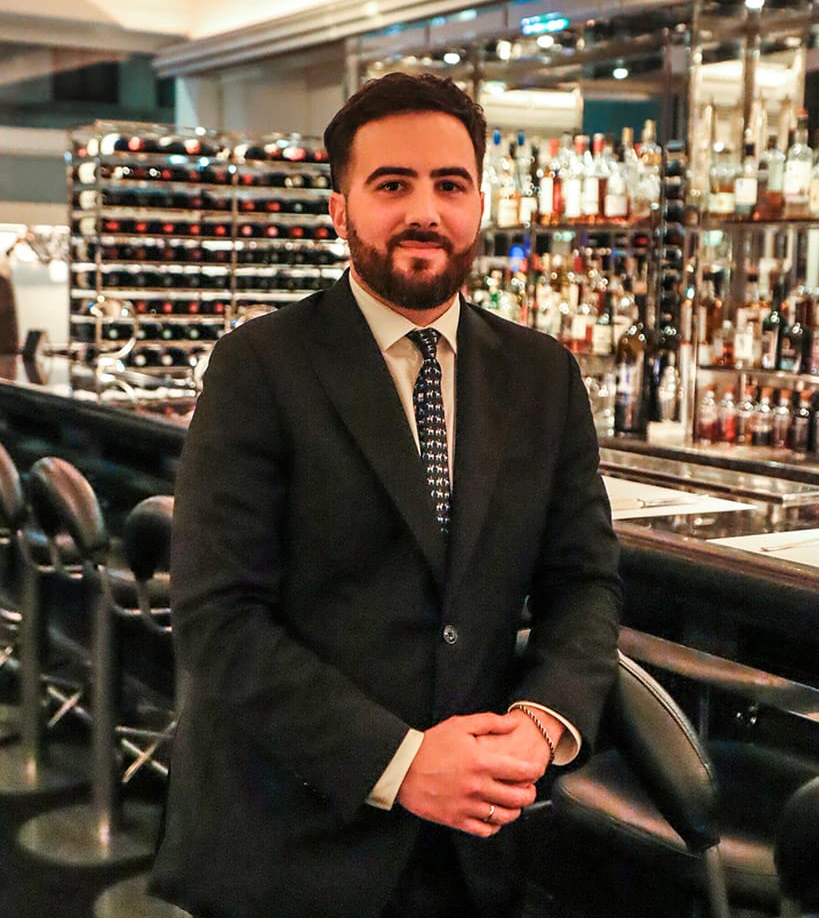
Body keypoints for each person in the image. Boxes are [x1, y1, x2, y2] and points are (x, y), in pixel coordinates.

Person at [150, 72, 622, 918]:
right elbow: (218, 617)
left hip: (474, 844)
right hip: (294, 839)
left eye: (450, 185)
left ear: (481, 203)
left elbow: (582, 580)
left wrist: (540, 721)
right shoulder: (260, 365)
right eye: (392, 185)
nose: (424, 213)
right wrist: (400, 763)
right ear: (339, 210)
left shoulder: (542, 375)